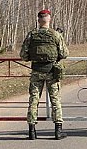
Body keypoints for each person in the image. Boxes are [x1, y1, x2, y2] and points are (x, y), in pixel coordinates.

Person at [20, 9, 69, 140]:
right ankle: (58, 131)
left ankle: (32, 131)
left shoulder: (32, 35)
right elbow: (64, 53)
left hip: (36, 71)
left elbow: (23, 55)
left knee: (34, 100)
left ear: (38, 20)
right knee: (55, 100)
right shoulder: (55, 35)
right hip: (52, 71)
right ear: (49, 19)